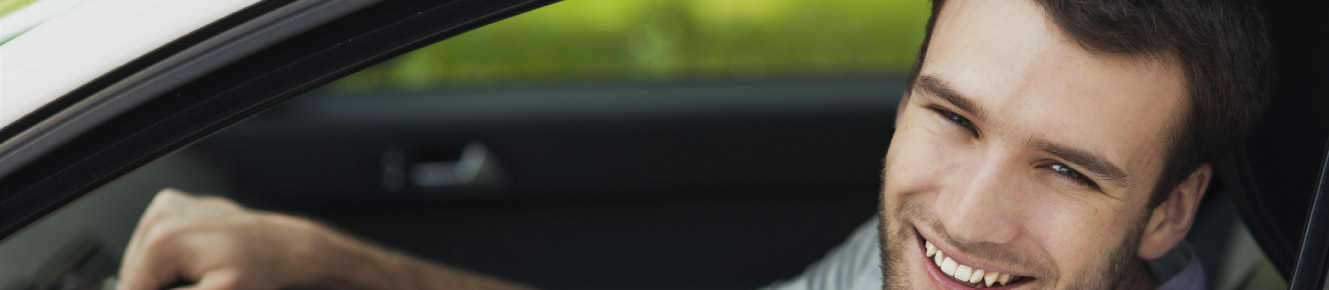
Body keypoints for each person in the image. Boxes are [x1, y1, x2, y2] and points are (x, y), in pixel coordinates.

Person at [115, 0, 1271, 289]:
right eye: (952, 115)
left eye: (1066, 168)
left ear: (1172, 210)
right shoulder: (902, 262)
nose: (965, 216)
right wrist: (333, 266)